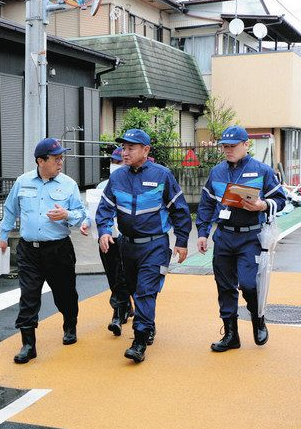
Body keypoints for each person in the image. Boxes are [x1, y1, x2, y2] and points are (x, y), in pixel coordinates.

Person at [96, 129, 191, 363]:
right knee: (135, 289)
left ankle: (139, 340)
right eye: (124, 148)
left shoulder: (162, 175)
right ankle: (148, 324)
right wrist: (104, 232)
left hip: (155, 245)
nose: (124, 153)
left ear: (146, 150)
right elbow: (106, 208)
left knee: (145, 290)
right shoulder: (117, 178)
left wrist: (181, 241)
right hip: (127, 247)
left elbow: (179, 210)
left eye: (131, 148)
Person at [196, 125, 286, 352]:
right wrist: (202, 233)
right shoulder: (216, 172)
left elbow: (281, 199)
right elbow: (206, 204)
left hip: (251, 237)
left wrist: (262, 205)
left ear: (246, 145)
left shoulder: (262, 170)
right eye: (225, 146)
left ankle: (258, 319)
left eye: (233, 146)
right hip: (224, 236)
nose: (228, 150)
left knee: (248, 283)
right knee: (224, 286)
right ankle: (231, 335)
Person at [0, 137, 86, 364]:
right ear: (40, 161)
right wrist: (3, 236)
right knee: (28, 297)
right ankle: (28, 344)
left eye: (61, 158)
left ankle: (70, 324)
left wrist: (67, 215)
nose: (60, 162)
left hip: (58, 250)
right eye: (56, 159)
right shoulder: (23, 182)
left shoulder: (68, 185)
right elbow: (10, 209)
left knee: (65, 293)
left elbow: (81, 215)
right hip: (29, 250)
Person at [81, 147, 134, 337]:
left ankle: (118, 314)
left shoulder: (134, 183)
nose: (116, 165)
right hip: (106, 238)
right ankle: (125, 306)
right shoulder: (102, 186)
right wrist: (86, 223)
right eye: (114, 162)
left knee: (125, 276)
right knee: (113, 276)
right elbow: (93, 212)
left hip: (127, 238)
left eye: (120, 162)